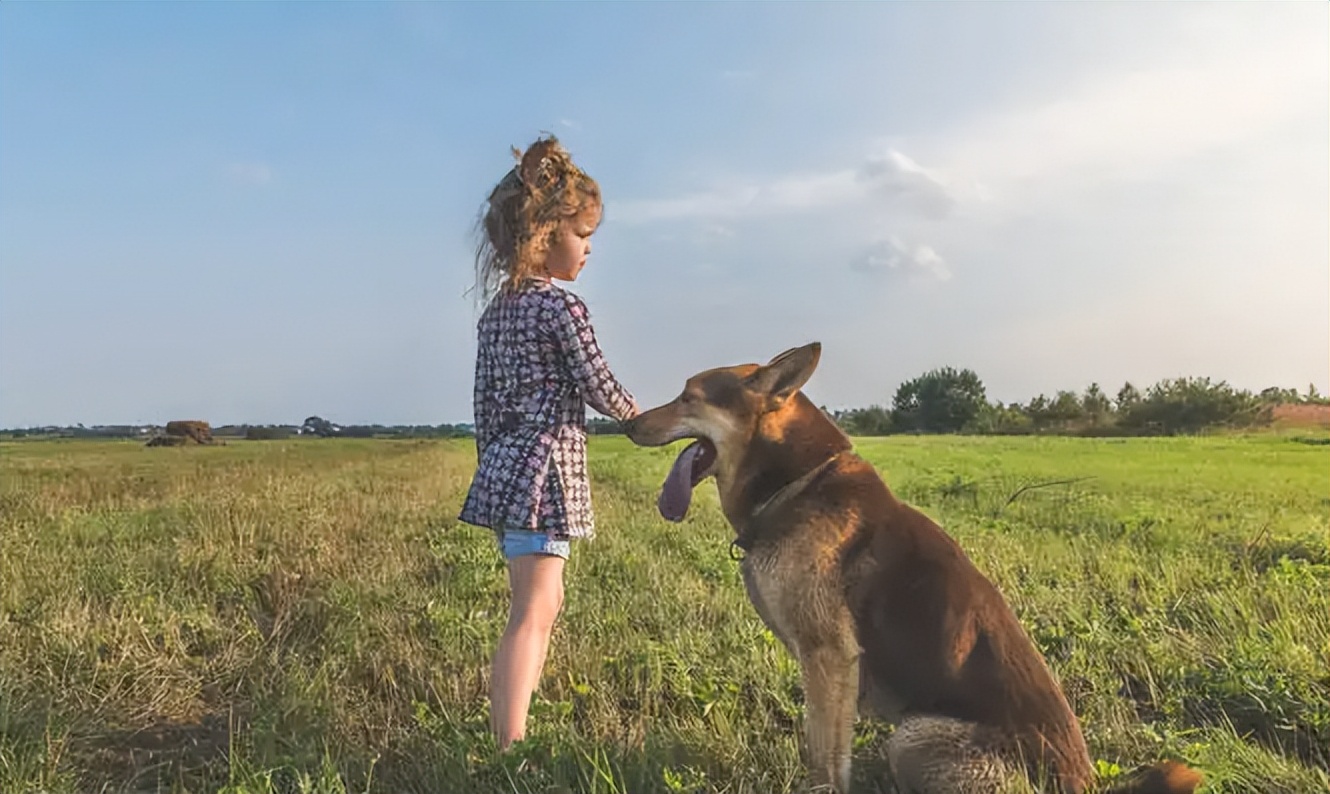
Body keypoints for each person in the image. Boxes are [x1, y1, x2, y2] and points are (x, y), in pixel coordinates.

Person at [458, 135, 638, 751]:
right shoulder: (561, 309)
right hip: (545, 475)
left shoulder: (494, 315)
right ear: (545, 234)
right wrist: (635, 417)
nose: (588, 249)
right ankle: (510, 748)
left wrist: (495, 472)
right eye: (583, 235)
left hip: (508, 470)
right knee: (531, 616)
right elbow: (596, 381)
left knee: (545, 601)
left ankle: (518, 719)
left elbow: (483, 404)